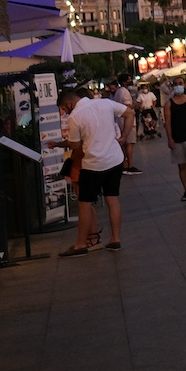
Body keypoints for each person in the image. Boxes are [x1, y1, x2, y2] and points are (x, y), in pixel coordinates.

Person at [53, 88, 133, 256]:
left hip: (93, 164)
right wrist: (123, 137)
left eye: (64, 108)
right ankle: (115, 239)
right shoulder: (105, 103)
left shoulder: (75, 117)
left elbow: (75, 145)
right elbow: (130, 113)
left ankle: (81, 244)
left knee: (85, 204)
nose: (65, 112)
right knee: (112, 199)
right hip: (114, 159)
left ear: (69, 103)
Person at [112, 73, 140, 175]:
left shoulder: (118, 92)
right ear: (124, 82)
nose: (130, 81)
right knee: (130, 143)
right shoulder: (124, 92)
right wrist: (134, 104)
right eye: (128, 79)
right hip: (127, 120)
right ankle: (130, 165)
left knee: (124, 143)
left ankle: (124, 164)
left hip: (120, 120)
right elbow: (128, 106)